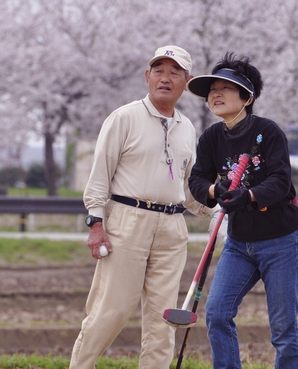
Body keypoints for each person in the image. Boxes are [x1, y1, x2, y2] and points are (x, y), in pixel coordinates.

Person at [69, 45, 219, 369]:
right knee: (113, 309)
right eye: (159, 70)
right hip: (127, 221)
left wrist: (217, 210)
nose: (165, 78)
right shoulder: (124, 117)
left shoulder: (188, 127)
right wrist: (96, 223)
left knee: (163, 319)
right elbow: (99, 177)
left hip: (172, 227)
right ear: (147, 76)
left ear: (187, 80)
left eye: (174, 71)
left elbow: (189, 189)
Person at [187, 52, 298, 369]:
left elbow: (281, 181)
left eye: (225, 87)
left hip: (281, 240)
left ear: (247, 96)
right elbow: (197, 179)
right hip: (239, 243)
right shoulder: (211, 137)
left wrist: (249, 195)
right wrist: (215, 190)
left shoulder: (268, 132)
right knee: (216, 313)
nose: (216, 93)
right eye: (213, 88)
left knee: (282, 328)